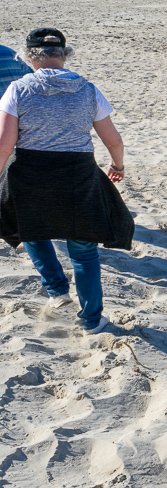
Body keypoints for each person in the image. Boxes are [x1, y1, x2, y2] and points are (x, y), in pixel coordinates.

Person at [0, 28, 133, 336]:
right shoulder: (88, 90)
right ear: (63, 55)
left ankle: (57, 291)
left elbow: (5, 146)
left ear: (29, 57)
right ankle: (91, 321)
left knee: (32, 231)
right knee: (84, 250)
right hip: (78, 174)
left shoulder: (18, 90)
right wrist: (118, 165)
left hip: (31, 171)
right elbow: (113, 139)